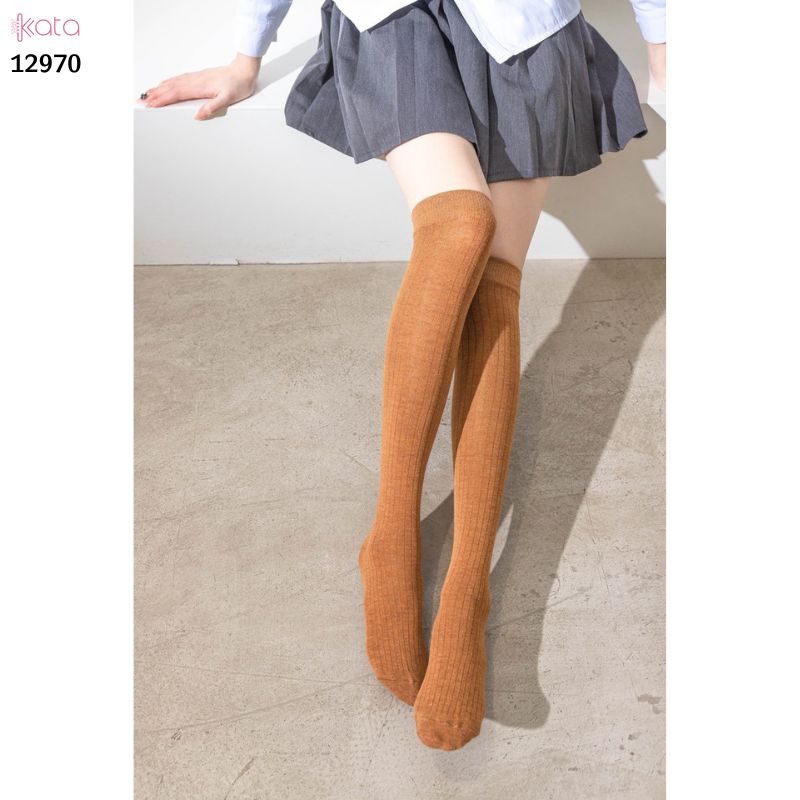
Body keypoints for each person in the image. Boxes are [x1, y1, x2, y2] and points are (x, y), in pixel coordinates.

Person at [139, 0, 666, 752]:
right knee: (460, 226)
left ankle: (467, 590)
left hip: (528, 28)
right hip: (392, 20)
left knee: (496, 287)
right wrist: (245, 57)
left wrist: (663, 47)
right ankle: (390, 537)